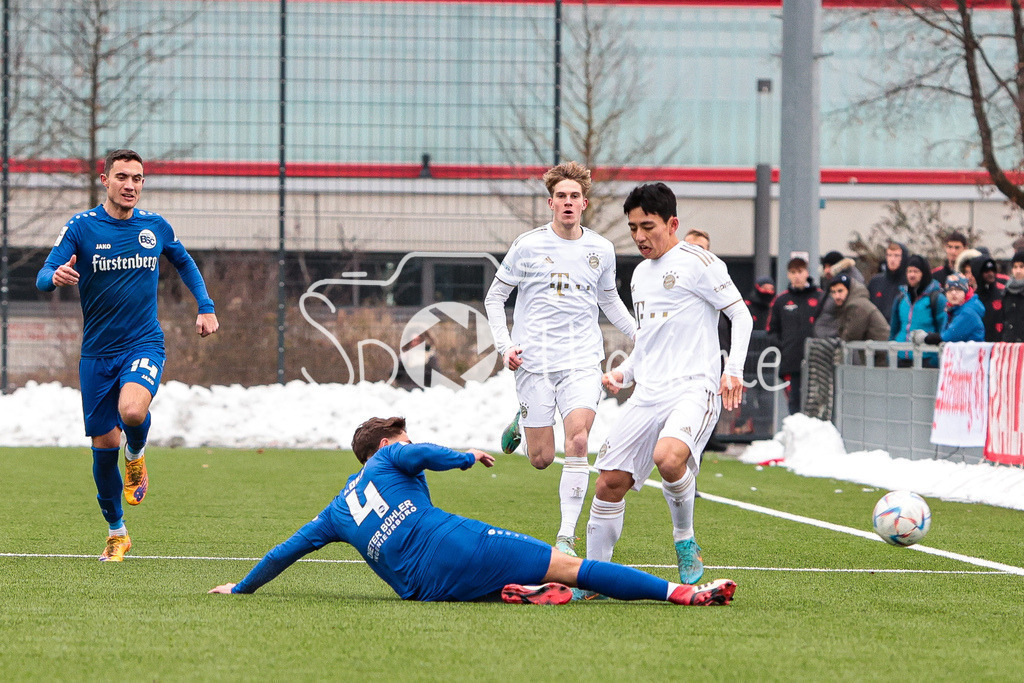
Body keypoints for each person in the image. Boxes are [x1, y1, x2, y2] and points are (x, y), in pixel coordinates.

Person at [208, 416, 736, 607]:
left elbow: (286, 550)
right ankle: (682, 592)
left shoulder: (334, 512)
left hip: (422, 590)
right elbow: (421, 454)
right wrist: (465, 458)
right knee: (570, 568)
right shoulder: (390, 456)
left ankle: (515, 592)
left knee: (500, 577)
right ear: (384, 445)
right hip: (452, 543)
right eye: (401, 437)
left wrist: (242, 587)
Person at [35, 149, 219, 561]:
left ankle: (135, 454)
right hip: (97, 353)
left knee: (132, 412)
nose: (131, 185)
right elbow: (43, 273)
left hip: (144, 342)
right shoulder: (81, 227)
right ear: (105, 179)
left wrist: (205, 306)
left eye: (137, 178)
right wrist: (55, 276)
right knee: (103, 445)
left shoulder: (155, 227)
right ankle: (117, 532)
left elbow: (184, 262)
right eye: (122, 177)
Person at [584, 182, 752, 589]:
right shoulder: (640, 274)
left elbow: (741, 317)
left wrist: (734, 369)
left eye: (649, 226)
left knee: (669, 457)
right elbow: (650, 337)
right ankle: (594, 578)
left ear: (672, 223)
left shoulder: (699, 262)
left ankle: (684, 539)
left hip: (694, 386)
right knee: (608, 482)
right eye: (633, 228)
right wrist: (626, 373)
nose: (640, 236)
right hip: (648, 393)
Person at [483, 161, 636, 557]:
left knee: (579, 440)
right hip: (534, 362)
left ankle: (566, 537)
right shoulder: (527, 245)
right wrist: (505, 347)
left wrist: (643, 335)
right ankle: (524, 415)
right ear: (551, 203)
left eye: (574, 197)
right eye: (561, 197)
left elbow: (609, 301)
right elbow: (495, 298)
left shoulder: (601, 250)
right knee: (541, 458)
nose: (568, 203)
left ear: (584, 203)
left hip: (582, 359)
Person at [767, 256, 823, 415]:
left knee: (815, 405)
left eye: (800, 271)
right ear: (788, 275)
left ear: (807, 272)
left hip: (816, 362)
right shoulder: (781, 301)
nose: (796, 276)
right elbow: (771, 331)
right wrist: (783, 347)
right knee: (794, 404)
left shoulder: (820, 297)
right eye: (793, 272)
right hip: (790, 363)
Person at [888, 254, 946, 367]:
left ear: (924, 273)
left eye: (916, 271)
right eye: (909, 271)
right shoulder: (901, 299)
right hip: (900, 358)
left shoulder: (936, 299)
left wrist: (935, 360)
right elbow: (894, 329)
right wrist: (890, 355)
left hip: (926, 359)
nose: (912, 275)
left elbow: (942, 330)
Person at [911, 273, 984, 344]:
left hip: (970, 354)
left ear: (965, 292)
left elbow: (948, 337)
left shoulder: (968, 312)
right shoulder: (952, 310)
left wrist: (926, 338)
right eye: (950, 290)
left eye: (958, 289)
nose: (953, 293)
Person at [827, 273, 889, 343]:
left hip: (882, 350)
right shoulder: (853, 303)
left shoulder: (857, 305)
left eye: (840, 291)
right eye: (833, 292)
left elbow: (852, 334)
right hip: (875, 349)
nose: (837, 296)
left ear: (849, 290)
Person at [814, 254, 862, 338]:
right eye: (824, 267)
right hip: (827, 340)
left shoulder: (849, 287)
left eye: (829, 266)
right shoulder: (827, 285)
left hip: (834, 341)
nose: (826, 270)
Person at [867, 241, 908, 322]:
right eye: (889, 255)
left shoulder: (910, 283)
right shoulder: (875, 282)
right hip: (877, 331)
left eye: (897, 256)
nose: (892, 259)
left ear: (904, 258)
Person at [968, 253, 1005, 341]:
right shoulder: (971, 297)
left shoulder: (1002, 293)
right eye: (986, 271)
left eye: (993, 270)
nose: (991, 274)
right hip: (978, 346)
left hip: (999, 345)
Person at [1002, 251, 1024, 342]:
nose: (1018, 271)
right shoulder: (1006, 291)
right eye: (1015, 267)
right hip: (1009, 343)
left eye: (1022, 267)